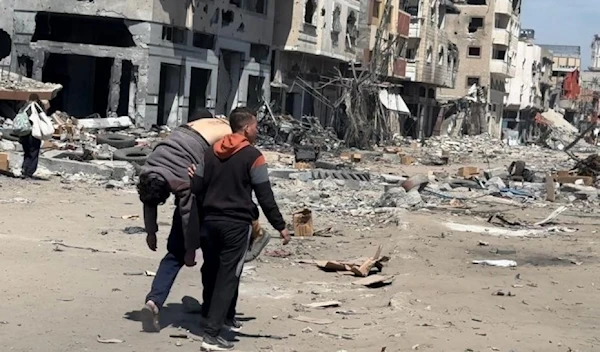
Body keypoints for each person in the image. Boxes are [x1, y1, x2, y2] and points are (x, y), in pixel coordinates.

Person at [191, 107, 291, 351]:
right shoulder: (253, 156)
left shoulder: (210, 152)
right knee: (228, 277)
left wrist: (193, 178)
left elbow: (197, 187)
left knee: (211, 271)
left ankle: (210, 317)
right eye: (255, 126)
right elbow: (264, 195)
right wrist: (280, 226)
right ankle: (212, 336)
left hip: (210, 221)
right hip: (235, 225)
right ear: (246, 128)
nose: (257, 130)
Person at [137, 108, 232, 333]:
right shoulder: (177, 179)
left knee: (173, 256)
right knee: (213, 258)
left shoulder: (148, 170)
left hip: (199, 181)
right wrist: (190, 248)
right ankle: (213, 313)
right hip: (210, 204)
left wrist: (153, 233)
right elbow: (188, 213)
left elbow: (159, 204)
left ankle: (154, 301)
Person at [18, 94, 49, 179]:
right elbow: (44, 117)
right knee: (34, 153)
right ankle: (29, 172)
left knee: (27, 153)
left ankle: (24, 169)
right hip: (34, 134)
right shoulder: (37, 107)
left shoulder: (24, 107)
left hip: (24, 134)